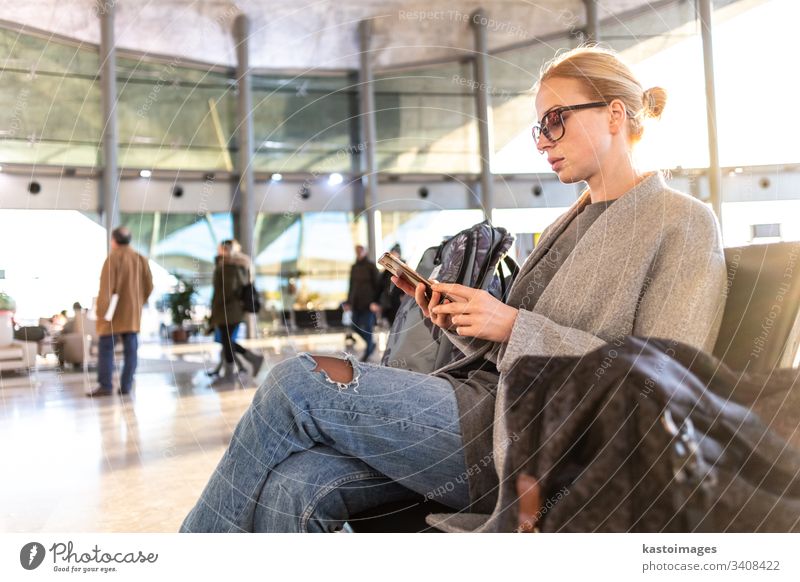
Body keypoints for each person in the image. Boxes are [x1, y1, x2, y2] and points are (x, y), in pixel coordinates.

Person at [180, 46, 726, 533]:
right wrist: (464, 321)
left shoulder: (681, 223)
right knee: (296, 484)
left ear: (613, 114)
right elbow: (512, 345)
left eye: (555, 121)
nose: (543, 142)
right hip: (488, 410)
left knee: (297, 382)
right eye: (539, 128)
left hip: (542, 440)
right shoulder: (570, 222)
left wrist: (511, 325)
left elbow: (667, 388)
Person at [88, 227, 153, 397]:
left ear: (114, 241)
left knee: (106, 349)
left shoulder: (112, 258)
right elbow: (149, 286)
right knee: (131, 351)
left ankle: (105, 385)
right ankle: (126, 386)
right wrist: (138, 302)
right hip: (132, 315)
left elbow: (106, 289)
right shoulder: (140, 259)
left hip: (113, 315)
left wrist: (101, 313)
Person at [209, 239, 264, 384]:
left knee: (227, 341)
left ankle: (231, 372)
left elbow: (224, 291)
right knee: (227, 341)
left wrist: (214, 310)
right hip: (231, 309)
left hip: (227, 309)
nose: (219, 250)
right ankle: (251, 360)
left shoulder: (228, 266)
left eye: (222, 248)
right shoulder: (236, 265)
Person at [343, 244, 382, 362]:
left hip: (369, 304)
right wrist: (348, 302)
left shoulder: (371, 266)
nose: (359, 253)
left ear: (365, 252)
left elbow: (378, 286)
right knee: (354, 325)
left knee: (367, 328)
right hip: (356, 303)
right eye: (357, 251)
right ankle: (371, 344)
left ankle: (368, 351)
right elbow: (351, 285)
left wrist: (376, 302)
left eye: (361, 251)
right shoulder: (354, 267)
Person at [378, 243, 404, 327]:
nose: (393, 255)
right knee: (390, 327)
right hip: (388, 304)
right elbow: (380, 286)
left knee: (399, 326)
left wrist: (403, 296)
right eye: (391, 253)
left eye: (394, 253)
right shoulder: (386, 270)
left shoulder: (403, 268)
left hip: (398, 303)